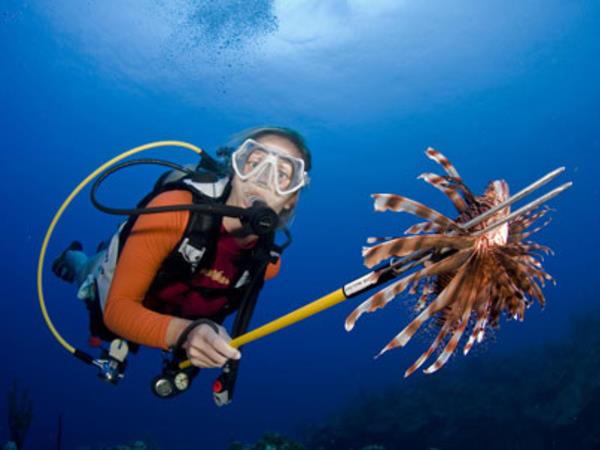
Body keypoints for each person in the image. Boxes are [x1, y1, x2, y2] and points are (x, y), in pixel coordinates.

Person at [52, 126, 311, 371]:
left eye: (283, 175)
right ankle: (72, 256)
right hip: (121, 292)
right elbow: (117, 309)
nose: (263, 180)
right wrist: (184, 334)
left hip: (172, 316)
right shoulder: (173, 211)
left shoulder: (268, 264)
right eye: (254, 163)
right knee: (87, 271)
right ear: (235, 167)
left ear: (291, 198)